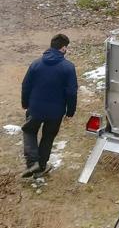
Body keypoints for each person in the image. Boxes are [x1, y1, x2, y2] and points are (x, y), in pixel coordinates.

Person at [20, 34, 78, 178]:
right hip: (56, 112)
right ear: (63, 48)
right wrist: (70, 111)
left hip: (35, 108)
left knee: (29, 131)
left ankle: (33, 162)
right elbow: (71, 92)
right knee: (48, 136)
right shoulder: (68, 68)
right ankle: (40, 167)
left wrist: (25, 103)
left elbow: (26, 85)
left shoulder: (36, 64)